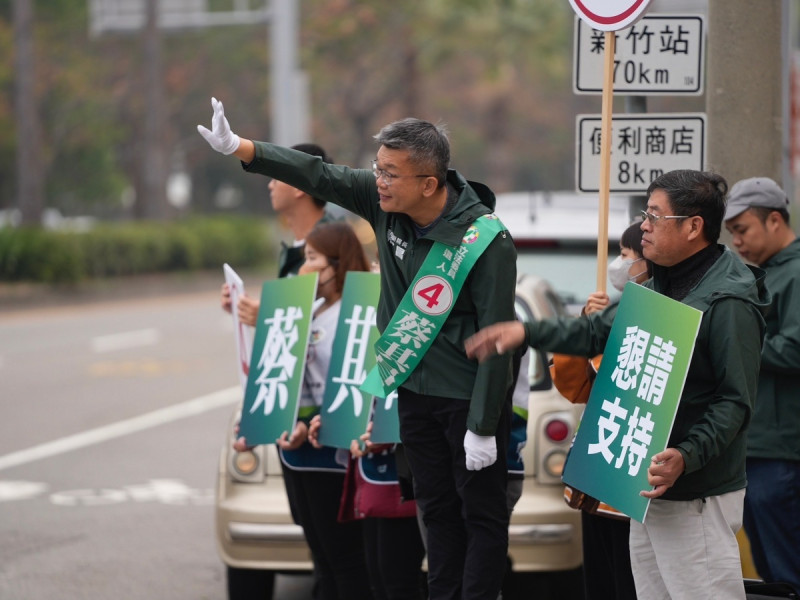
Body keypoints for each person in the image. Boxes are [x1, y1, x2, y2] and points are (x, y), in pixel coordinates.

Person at [199, 97, 518, 600]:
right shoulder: (383, 203)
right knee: (435, 512)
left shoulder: (486, 241)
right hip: (413, 392)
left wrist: (482, 425)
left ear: (429, 184)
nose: (379, 181)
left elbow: (500, 338)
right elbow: (318, 174)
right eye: (378, 169)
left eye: (391, 173)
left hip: (465, 398)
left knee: (479, 516)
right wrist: (241, 147)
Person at [466, 169, 771, 600]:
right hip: (642, 487)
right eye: (645, 213)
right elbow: (595, 333)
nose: (643, 225)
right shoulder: (659, 285)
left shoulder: (728, 300)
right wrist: (525, 333)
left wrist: (686, 455)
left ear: (693, 227)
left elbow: (734, 402)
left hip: (695, 492)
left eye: (654, 215)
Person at [235, 221, 374, 600]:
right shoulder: (308, 309)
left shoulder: (359, 311)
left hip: (339, 451)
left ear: (337, 264)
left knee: (346, 559)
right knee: (323, 559)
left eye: (312, 258)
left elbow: (362, 385)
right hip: (301, 450)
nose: (303, 267)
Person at [551, 221, 651, 600]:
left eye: (627, 256)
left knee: (629, 579)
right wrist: (587, 327)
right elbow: (574, 386)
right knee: (601, 578)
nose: (618, 264)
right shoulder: (611, 314)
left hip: (631, 475)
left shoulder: (656, 319)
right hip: (599, 466)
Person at [723, 177, 800, 594]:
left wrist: (736, 339)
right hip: (759, 446)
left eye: (742, 230)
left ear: (774, 220)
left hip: (782, 449)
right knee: (774, 572)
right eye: (731, 233)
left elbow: (795, 350)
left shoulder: (796, 273)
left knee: (787, 569)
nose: (737, 241)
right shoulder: (764, 274)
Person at [220, 142, 336, 326]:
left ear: (298, 187)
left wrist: (270, 316)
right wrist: (248, 309)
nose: (270, 186)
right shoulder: (300, 249)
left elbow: (329, 326)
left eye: (276, 178)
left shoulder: (335, 249)